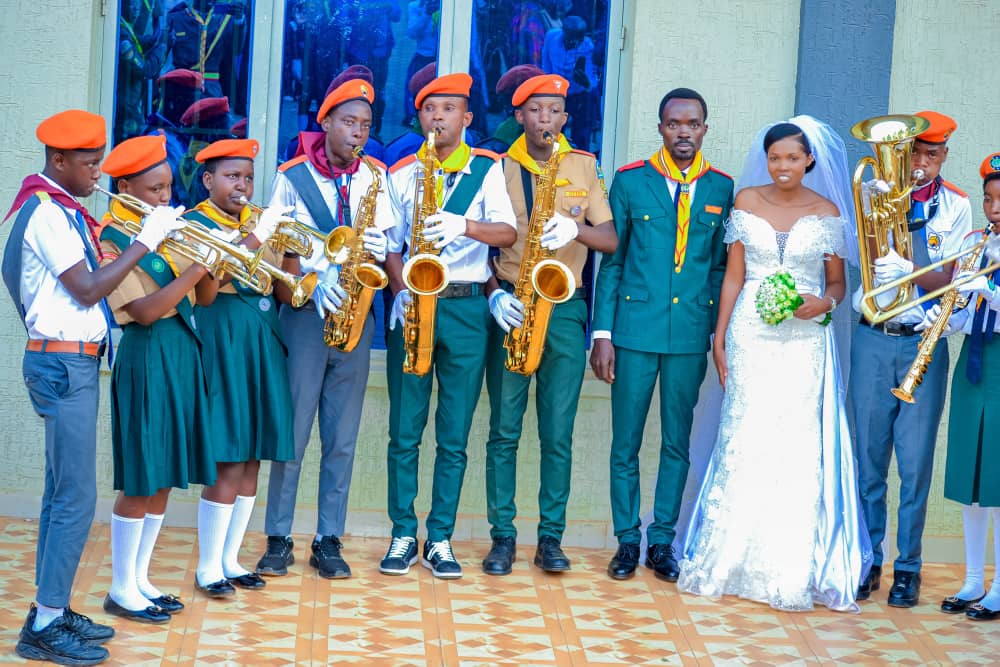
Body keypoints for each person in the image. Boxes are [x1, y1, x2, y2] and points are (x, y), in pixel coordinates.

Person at [3, 110, 183, 665]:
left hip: (69, 364)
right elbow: (86, 289)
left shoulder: (59, 209)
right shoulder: (46, 211)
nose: (97, 173)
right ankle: (44, 623)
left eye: (99, 161)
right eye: (88, 163)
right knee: (76, 498)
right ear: (58, 160)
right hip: (63, 366)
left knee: (62, 494)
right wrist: (145, 241)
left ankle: (52, 611)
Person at [678, 118, 871, 612]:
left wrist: (822, 304)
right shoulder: (746, 201)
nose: (783, 166)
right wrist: (720, 336)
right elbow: (734, 276)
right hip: (751, 333)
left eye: (792, 157)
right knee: (745, 434)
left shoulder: (827, 212)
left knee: (795, 442)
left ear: (809, 160)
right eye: (775, 157)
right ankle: (728, 559)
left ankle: (787, 566)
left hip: (804, 340)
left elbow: (837, 284)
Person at [590, 88, 732, 581]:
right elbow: (613, 262)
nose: (683, 132)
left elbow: (720, 268)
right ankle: (627, 540)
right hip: (633, 333)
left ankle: (662, 541)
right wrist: (602, 333)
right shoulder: (632, 181)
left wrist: (715, 332)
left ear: (705, 128)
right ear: (661, 128)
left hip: (689, 335)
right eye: (674, 124)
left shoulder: (721, 188)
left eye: (692, 124)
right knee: (625, 442)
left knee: (677, 443)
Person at [256, 78, 393, 580]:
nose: (358, 132)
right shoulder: (292, 175)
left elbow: (385, 244)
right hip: (304, 315)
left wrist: (379, 247)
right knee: (293, 431)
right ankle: (278, 536)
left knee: (342, 436)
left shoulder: (375, 176)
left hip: (355, 315)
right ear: (327, 122)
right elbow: (276, 251)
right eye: (349, 122)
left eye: (366, 125)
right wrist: (311, 287)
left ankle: (328, 537)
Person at [381, 72, 516, 579]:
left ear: (467, 117)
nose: (438, 117)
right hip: (414, 304)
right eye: (429, 109)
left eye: (449, 109)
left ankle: (439, 537)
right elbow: (391, 246)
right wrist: (399, 290)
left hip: (465, 309)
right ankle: (402, 532)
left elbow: (507, 232)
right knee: (404, 429)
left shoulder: (487, 168)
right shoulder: (402, 172)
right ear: (419, 116)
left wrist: (465, 225)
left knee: (454, 433)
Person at [482, 73, 616, 575]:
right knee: (504, 430)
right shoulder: (498, 167)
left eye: (554, 111)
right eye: (535, 110)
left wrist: (575, 228)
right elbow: (479, 246)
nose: (545, 119)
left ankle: (550, 539)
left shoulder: (582, 165)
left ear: (565, 117)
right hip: (513, 304)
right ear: (519, 116)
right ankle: (502, 537)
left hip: (564, 307)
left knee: (557, 433)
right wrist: (494, 295)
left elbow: (610, 239)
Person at [851, 111, 973, 608]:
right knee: (868, 458)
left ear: (944, 156)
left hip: (923, 339)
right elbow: (859, 254)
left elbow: (954, 278)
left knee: (916, 463)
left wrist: (910, 270)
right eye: (915, 152)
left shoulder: (956, 205)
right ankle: (867, 560)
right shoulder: (875, 192)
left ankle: (908, 568)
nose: (922, 162)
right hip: (873, 336)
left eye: (932, 154)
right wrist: (879, 205)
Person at [97, 134, 218, 623]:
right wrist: (193, 271)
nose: (165, 197)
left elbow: (205, 300)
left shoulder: (168, 228)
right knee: (142, 475)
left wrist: (211, 263)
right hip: (147, 354)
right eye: (154, 189)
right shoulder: (114, 237)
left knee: (164, 475)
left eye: (168, 187)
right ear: (126, 188)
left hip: (182, 350)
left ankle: (140, 578)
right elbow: (143, 312)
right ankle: (120, 587)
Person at [183, 138, 297, 597]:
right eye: (232, 177)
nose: (243, 186)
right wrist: (258, 236)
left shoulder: (257, 220)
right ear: (208, 180)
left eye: (248, 177)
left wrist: (292, 250)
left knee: (253, 456)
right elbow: (211, 283)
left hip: (262, 338)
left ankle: (231, 559)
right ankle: (208, 566)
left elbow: (285, 289)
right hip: (224, 337)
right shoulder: (195, 223)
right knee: (229, 454)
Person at [927, 152, 1000, 621]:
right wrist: (941, 320)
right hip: (973, 363)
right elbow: (963, 307)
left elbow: (987, 299)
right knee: (971, 477)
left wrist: (989, 291)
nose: (994, 208)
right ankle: (973, 579)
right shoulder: (978, 243)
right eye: (989, 199)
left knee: (998, 478)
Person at [540, 15, 597, 151]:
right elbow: (545, 63)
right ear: (564, 32)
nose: (574, 42)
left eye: (578, 39)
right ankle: (552, 160)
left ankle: (580, 159)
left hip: (579, 95)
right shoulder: (551, 37)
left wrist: (586, 82)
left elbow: (592, 78)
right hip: (556, 94)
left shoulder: (588, 46)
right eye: (571, 38)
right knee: (553, 133)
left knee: (581, 136)